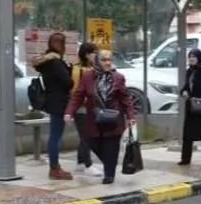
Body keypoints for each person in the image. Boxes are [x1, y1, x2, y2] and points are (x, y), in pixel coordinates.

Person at [64, 50, 136, 184]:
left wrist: (131, 116)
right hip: (94, 119)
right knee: (90, 141)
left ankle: (109, 175)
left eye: (109, 60)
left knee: (111, 147)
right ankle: (109, 164)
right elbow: (78, 96)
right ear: (97, 61)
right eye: (104, 60)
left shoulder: (118, 77)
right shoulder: (87, 77)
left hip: (114, 119)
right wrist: (69, 112)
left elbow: (125, 99)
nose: (107, 63)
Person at [32, 32, 74, 180]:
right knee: (55, 136)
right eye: (64, 43)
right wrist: (69, 71)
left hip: (52, 100)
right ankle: (54, 168)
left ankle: (54, 167)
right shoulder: (55, 62)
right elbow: (68, 82)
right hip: (58, 102)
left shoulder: (46, 61)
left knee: (54, 135)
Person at [70, 42, 102, 177]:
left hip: (91, 106)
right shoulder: (78, 69)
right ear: (87, 54)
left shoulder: (92, 67)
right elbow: (75, 89)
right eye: (93, 53)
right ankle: (88, 165)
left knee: (85, 135)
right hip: (82, 107)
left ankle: (80, 162)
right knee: (87, 136)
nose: (96, 55)